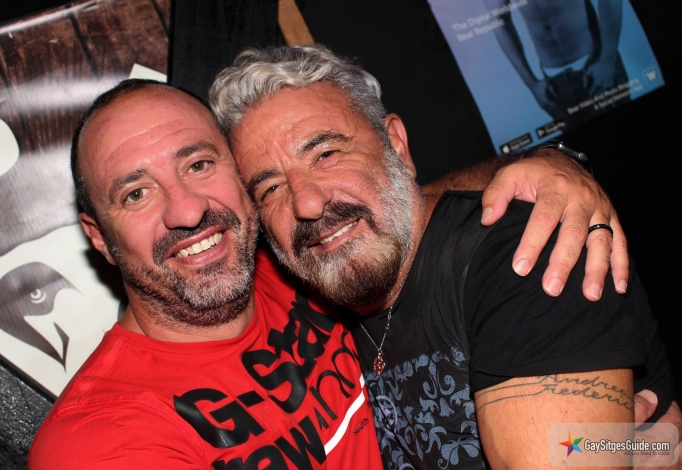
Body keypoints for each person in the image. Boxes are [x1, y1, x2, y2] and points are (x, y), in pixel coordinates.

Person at [210, 45, 679, 469]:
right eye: (270, 188)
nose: (307, 203)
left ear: (396, 145)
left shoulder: (522, 253)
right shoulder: (310, 298)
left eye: (327, 154)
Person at [28, 82, 384, 469]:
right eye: (136, 194)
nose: (187, 211)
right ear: (100, 237)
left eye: (198, 165)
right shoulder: (99, 439)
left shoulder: (308, 258)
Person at [484, 0, 629, 120]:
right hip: (554, 86)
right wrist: (531, 84)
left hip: (595, 66)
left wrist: (607, 60)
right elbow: (498, 20)